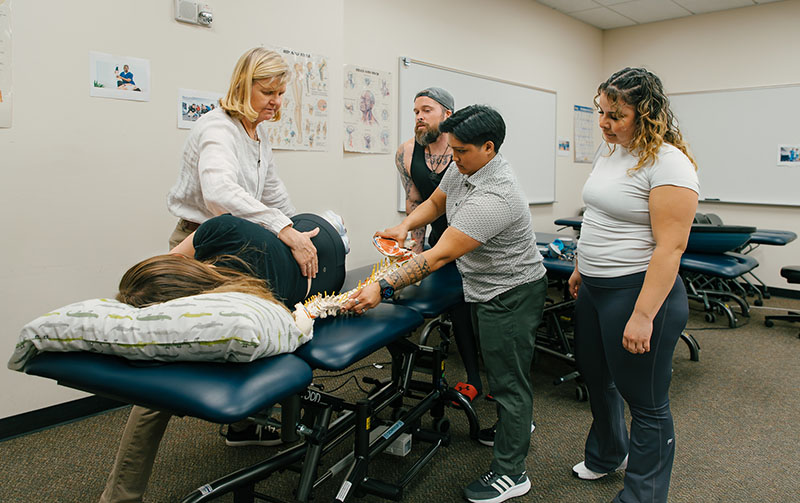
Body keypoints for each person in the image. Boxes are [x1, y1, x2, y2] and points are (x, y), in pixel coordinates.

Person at [347, 105, 547, 503]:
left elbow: (437, 257)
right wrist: (404, 225)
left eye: (461, 151)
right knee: (505, 373)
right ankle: (515, 427)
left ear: (488, 148)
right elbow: (437, 202)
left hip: (510, 292)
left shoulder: (497, 196)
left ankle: (512, 472)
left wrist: (382, 287)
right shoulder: (466, 165)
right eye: (452, 149)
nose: (453, 158)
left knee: (508, 382)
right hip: (484, 285)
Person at [100, 212, 348, 503]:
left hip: (327, 265)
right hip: (300, 229)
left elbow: (289, 332)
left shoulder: (247, 307)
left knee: (154, 397)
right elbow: (174, 258)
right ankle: (243, 429)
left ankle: (118, 498)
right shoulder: (218, 229)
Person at [567, 67, 699, 503]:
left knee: (645, 400)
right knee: (597, 376)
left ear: (646, 113)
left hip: (638, 292)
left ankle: (644, 495)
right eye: (600, 112)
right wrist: (582, 266)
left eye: (615, 115)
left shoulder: (669, 162)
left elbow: (670, 247)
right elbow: (598, 216)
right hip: (595, 288)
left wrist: (644, 315)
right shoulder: (612, 153)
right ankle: (607, 453)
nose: (603, 123)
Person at [166, 46, 319, 280]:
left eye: (280, 93)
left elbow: (273, 194)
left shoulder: (258, 134)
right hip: (199, 244)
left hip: (234, 242)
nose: (276, 102)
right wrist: (281, 228)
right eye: (268, 92)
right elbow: (219, 192)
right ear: (244, 86)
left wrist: (296, 230)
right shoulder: (218, 128)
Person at [395, 87, 483, 402]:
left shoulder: (466, 153)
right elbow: (415, 201)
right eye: (416, 111)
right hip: (437, 242)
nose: (419, 117)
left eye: (427, 110)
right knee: (449, 305)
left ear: (447, 114)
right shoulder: (406, 153)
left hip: (472, 241)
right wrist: (412, 254)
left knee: (468, 309)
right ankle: (419, 373)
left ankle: (477, 377)